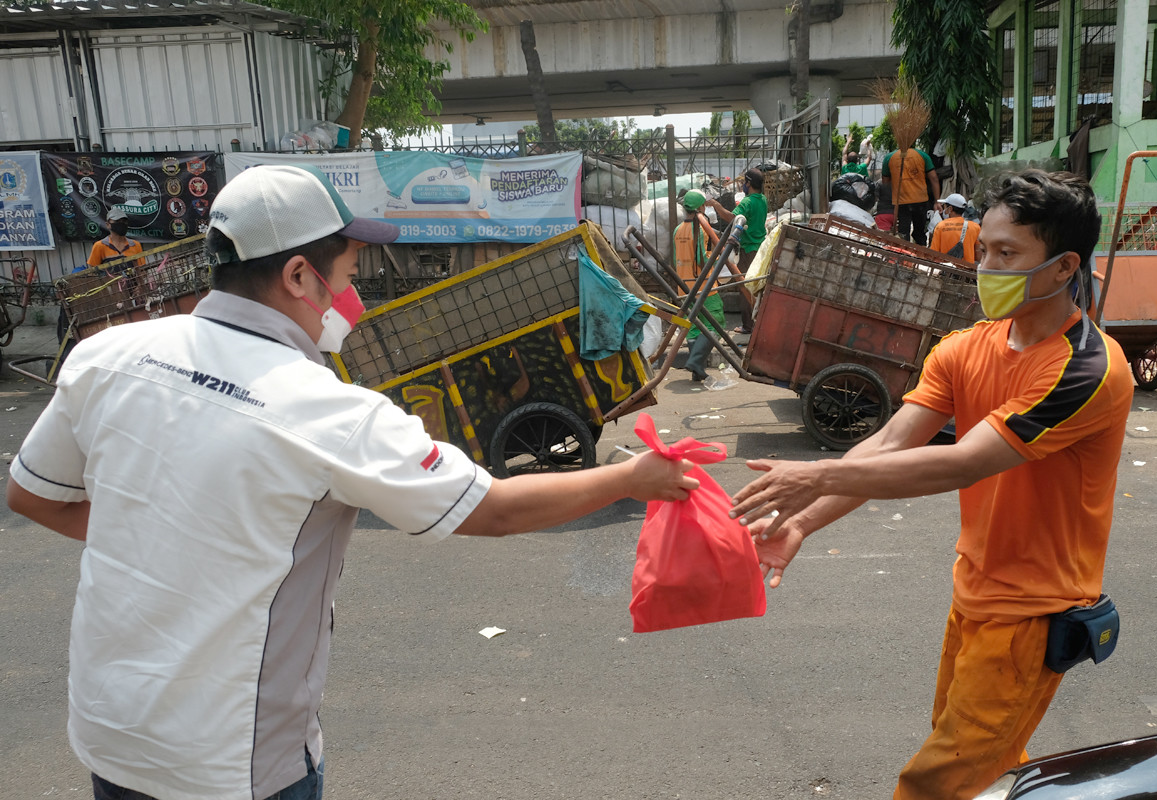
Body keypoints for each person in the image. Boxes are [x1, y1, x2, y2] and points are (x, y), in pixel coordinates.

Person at [7, 164, 699, 800]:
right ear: (301, 277)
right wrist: (631, 478)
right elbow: (490, 509)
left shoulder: (108, 357)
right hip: (232, 764)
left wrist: (159, 532)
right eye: (350, 271)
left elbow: (32, 493)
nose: (354, 294)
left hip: (111, 739)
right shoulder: (326, 410)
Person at [729, 169, 1133, 800]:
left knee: (934, 785)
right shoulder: (963, 347)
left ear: (1062, 268)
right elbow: (891, 445)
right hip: (971, 594)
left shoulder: (1088, 369)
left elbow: (962, 463)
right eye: (983, 250)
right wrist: (803, 521)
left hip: (1031, 614)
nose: (986, 268)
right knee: (987, 769)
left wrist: (815, 473)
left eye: (1007, 254)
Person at [708, 168, 767, 334]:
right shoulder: (762, 199)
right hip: (759, 247)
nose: (743, 186)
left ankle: (748, 326)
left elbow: (732, 218)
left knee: (744, 288)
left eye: (744, 183)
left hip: (748, 249)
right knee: (756, 286)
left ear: (749, 183)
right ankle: (758, 322)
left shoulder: (748, 202)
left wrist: (716, 205)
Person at [673, 189, 724, 382]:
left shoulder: (677, 230)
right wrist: (718, 256)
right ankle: (695, 361)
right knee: (716, 321)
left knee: (694, 326)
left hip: (684, 287)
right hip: (704, 287)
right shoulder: (701, 229)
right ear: (701, 207)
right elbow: (703, 261)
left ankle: (697, 370)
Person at [884, 145, 940, 246]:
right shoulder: (922, 155)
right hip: (920, 200)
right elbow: (934, 178)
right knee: (919, 232)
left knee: (903, 232)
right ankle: (920, 255)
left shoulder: (889, 157)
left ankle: (903, 256)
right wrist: (937, 201)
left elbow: (885, 182)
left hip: (901, 202)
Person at [929, 193, 982, 262]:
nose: (944, 209)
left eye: (945, 206)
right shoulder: (975, 227)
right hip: (966, 270)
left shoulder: (940, 226)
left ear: (950, 209)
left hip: (944, 270)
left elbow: (933, 254)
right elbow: (978, 255)